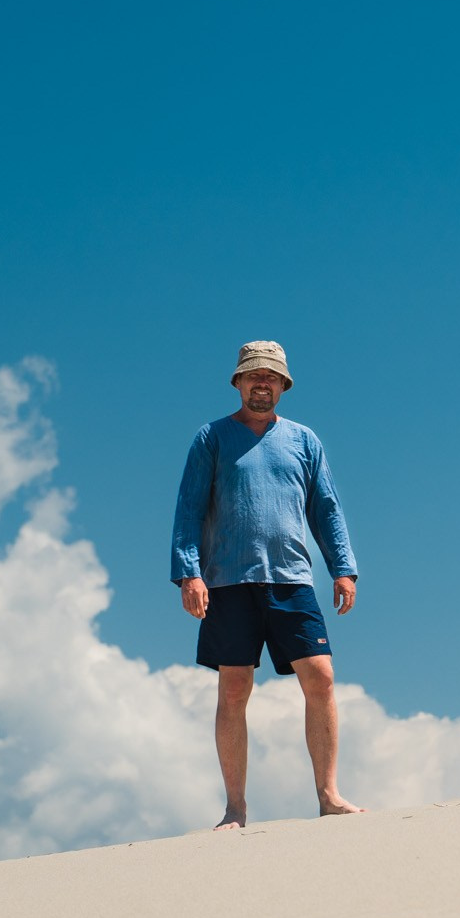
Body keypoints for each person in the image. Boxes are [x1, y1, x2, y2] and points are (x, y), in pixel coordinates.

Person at [170, 340, 364, 827]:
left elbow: (327, 508)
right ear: (238, 381)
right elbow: (188, 510)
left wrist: (343, 567)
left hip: (291, 577)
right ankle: (235, 809)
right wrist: (188, 572)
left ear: (283, 385)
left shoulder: (304, 441)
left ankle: (328, 795)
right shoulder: (211, 438)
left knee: (320, 676)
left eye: (272, 376)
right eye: (254, 375)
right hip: (228, 582)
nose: (263, 383)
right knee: (234, 689)